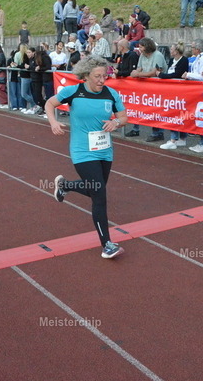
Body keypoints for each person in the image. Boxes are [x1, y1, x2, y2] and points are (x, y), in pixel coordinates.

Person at [45, 55, 128, 259]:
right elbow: (49, 103)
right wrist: (53, 122)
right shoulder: (73, 91)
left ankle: (65, 185)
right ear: (86, 75)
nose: (102, 80)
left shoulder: (111, 94)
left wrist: (115, 123)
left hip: (105, 150)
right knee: (99, 194)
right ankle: (107, 245)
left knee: (95, 189)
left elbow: (124, 117)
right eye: (97, 76)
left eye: (104, 76)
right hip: (82, 150)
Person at [128, 37, 167, 141]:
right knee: (138, 107)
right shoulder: (142, 55)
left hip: (158, 87)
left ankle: (158, 132)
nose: (139, 49)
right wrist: (136, 72)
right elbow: (139, 68)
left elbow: (154, 72)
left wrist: (138, 74)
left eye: (141, 47)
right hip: (145, 87)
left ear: (146, 47)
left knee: (156, 110)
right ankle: (136, 128)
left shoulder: (157, 55)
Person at [157, 41, 190, 150]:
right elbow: (170, 73)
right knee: (173, 114)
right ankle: (178, 138)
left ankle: (175, 139)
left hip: (180, 91)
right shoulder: (171, 60)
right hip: (171, 91)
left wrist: (162, 75)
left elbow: (177, 74)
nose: (170, 51)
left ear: (176, 51)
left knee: (178, 114)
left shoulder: (184, 60)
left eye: (172, 49)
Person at [182, 39, 203, 153]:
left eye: (193, 47)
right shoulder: (199, 58)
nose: (191, 49)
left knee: (201, 117)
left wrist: (189, 75)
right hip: (198, 91)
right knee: (197, 117)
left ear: (198, 49)